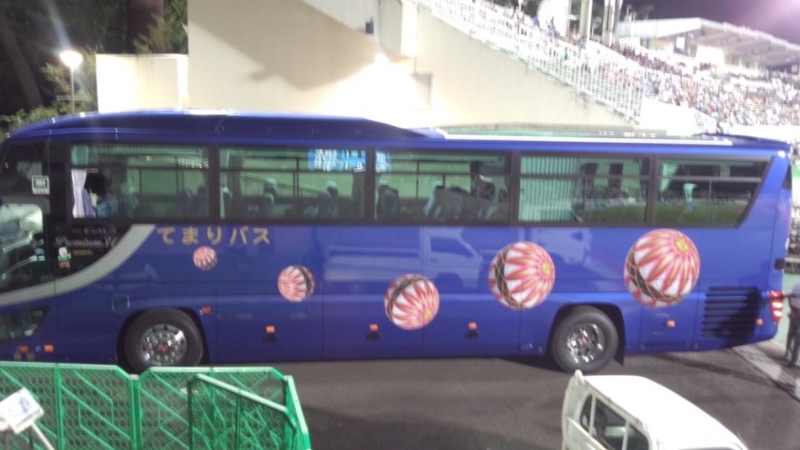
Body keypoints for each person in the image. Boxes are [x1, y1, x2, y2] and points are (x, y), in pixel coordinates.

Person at [786, 282, 800, 367]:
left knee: (791, 334)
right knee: (797, 338)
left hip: (794, 310)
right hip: (797, 312)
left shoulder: (797, 284)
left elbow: (789, 296)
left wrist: (792, 311)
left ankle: (787, 355)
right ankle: (793, 361)